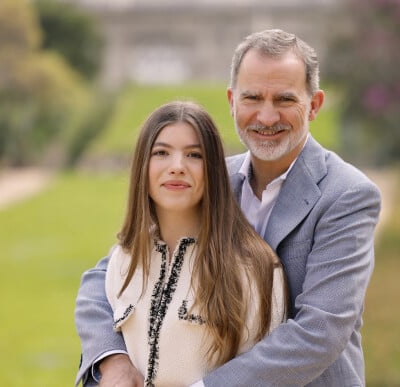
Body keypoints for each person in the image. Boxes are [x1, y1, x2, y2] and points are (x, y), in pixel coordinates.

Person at [75, 29, 382, 386]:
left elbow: (319, 333)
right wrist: (111, 359)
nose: (267, 117)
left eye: (284, 99)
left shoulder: (347, 195)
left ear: (313, 105)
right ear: (232, 100)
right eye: (252, 97)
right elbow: (106, 275)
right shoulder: (212, 175)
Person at [82, 100, 287, 386]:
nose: (177, 167)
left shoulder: (255, 267)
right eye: (161, 152)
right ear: (143, 166)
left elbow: (268, 376)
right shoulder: (124, 258)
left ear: (213, 170)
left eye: (194, 155)